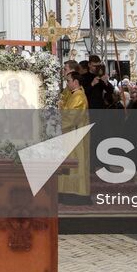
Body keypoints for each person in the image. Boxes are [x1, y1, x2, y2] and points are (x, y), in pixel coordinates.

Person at [58, 72, 90, 202]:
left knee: (76, 165)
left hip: (77, 137)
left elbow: (71, 117)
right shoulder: (73, 95)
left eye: (69, 81)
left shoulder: (79, 97)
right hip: (70, 136)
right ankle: (65, 191)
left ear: (75, 82)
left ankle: (77, 193)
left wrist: (59, 108)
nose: (67, 84)